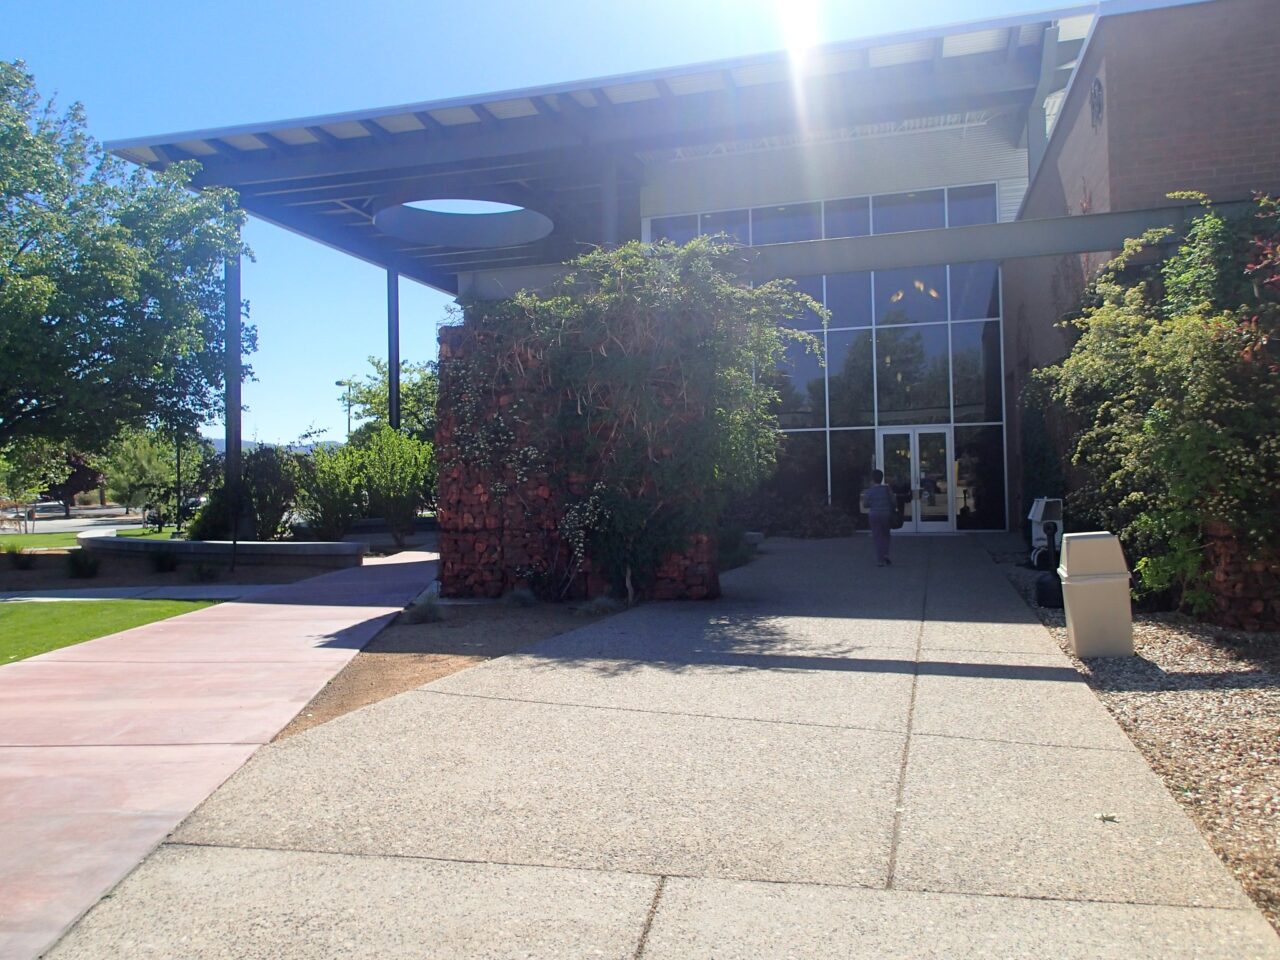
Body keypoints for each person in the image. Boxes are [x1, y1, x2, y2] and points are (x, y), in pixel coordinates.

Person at [861, 468, 895, 567]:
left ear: (872, 479)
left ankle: (880, 559)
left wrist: (873, 503)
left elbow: (865, 504)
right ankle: (886, 554)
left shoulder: (870, 491)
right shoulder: (887, 489)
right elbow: (893, 502)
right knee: (886, 535)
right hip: (886, 514)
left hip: (874, 514)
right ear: (882, 478)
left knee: (877, 536)